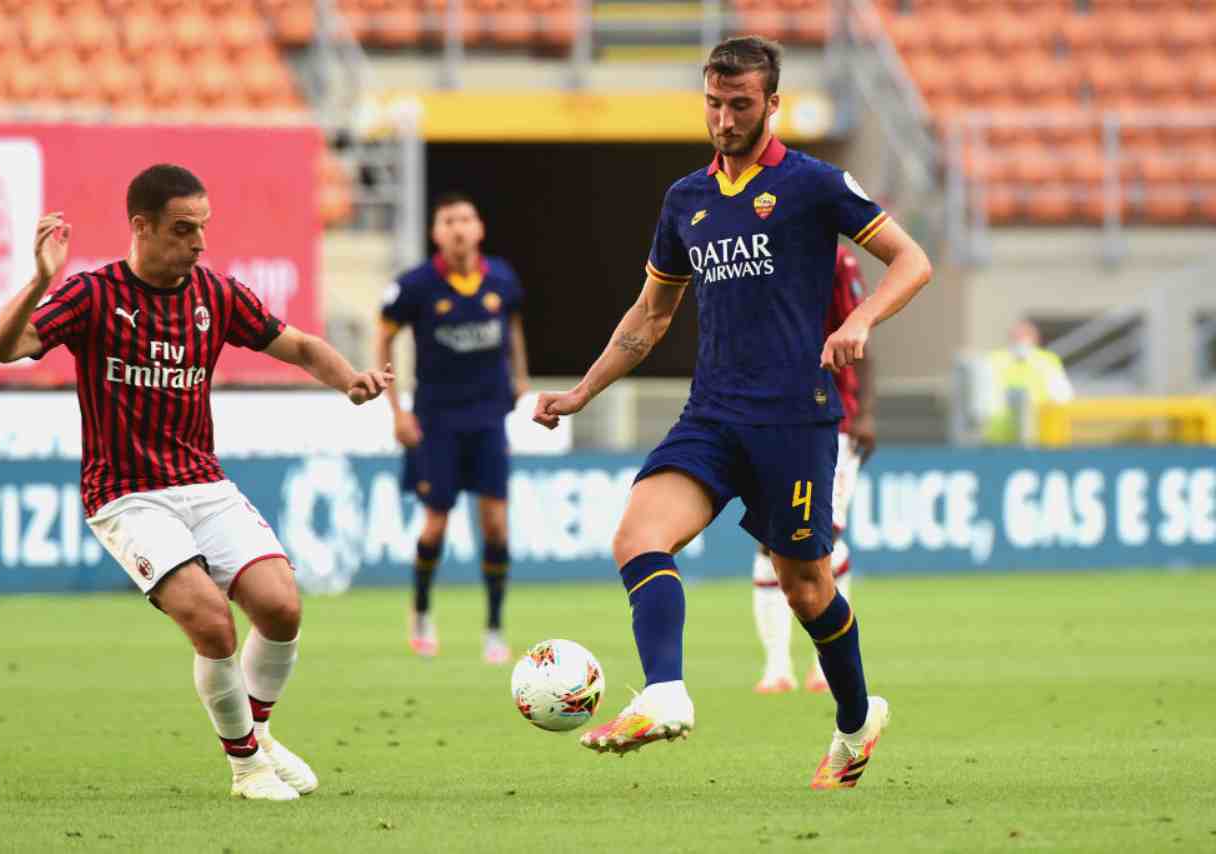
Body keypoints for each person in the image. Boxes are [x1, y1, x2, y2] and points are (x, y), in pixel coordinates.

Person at [533, 36, 932, 789]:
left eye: (739, 104)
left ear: (771, 105)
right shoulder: (685, 199)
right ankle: (664, 692)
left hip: (796, 420)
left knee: (806, 588)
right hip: (712, 414)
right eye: (713, 103)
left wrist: (859, 323)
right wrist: (584, 391)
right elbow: (649, 318)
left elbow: (912, 260)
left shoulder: (814, 185)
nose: (722, 119)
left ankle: (855, 724)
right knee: (637, 534)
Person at [0, 164, 393, 802]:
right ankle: (247, 768)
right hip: (126, 496)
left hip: (203, 482)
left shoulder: (215, 294)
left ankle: (255, 735)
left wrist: (350, 381)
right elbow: (3, 348)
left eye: (203, 228)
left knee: (282, 605)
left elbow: (301, 346)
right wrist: (41, 280)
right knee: (212, 624)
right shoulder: (93, 295)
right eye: (183, 230)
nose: (198, 243)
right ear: (141, 227)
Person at [376, 192, 530, 664]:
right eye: (449, 220)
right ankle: (420, 612)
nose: (459, 228)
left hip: (487, 417)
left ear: (479, 227)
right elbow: (384, 334)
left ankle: (495, 627)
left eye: (466, 218)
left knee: (496, 524)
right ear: (436, 232)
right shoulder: (417, 286)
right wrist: (397, 412)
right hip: (437, 420)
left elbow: (514, 325)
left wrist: (520, 376)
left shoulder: (501, 278)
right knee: (435, 526)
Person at [753, 246, 876, 695]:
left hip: (833, 420)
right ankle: (776, 667)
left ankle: (825, 667)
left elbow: (862, 333)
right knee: (770, 543)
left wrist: (865, 411)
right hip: (770, 420)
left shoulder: (837, 260)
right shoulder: (756, 253)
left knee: (822, 542)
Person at [982, 319, 1073, 445]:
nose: (1020, 339)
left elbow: (1062, 395)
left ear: (1036, 338)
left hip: (1039, 435)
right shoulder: (993, 359)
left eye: (1025, 335)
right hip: (999, 435)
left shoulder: (1047, 360)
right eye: (1017, 335)